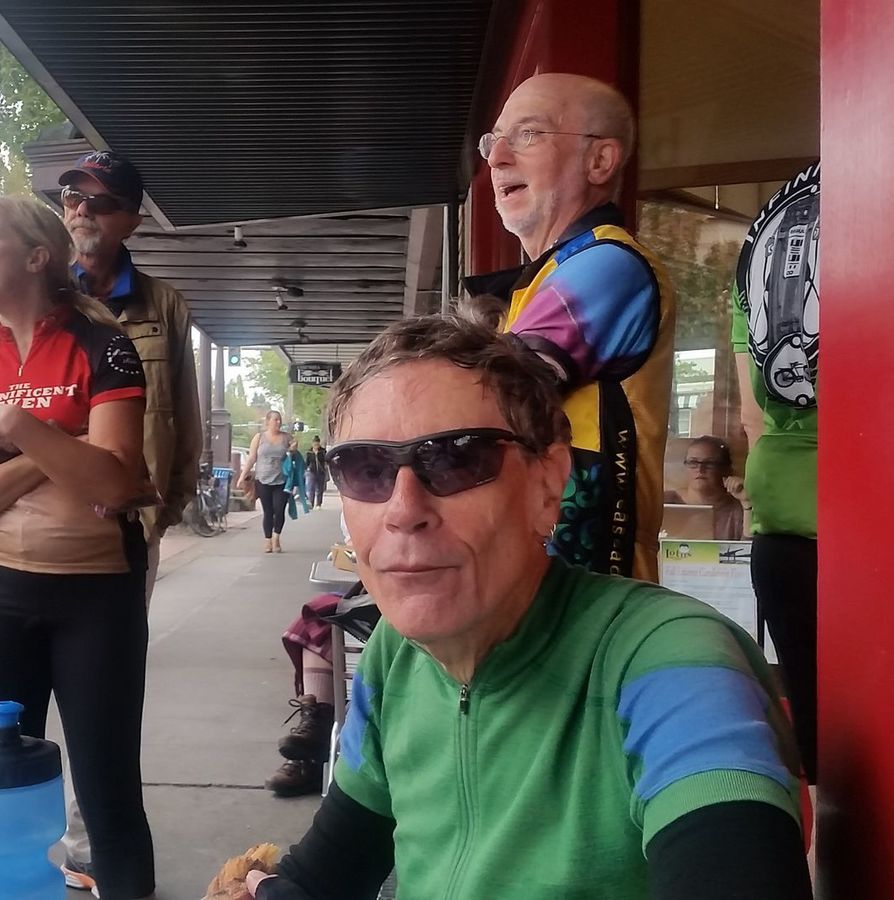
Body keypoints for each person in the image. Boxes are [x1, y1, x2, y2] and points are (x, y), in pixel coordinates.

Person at [236, 315, 809, 900]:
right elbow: (329, 871)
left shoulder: (669, 659)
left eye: (455, 459)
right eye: (366, 469)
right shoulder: (396, 655)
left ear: (548, 484)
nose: (403, 510)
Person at [0, 152, 203, 894]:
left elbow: (115, 479)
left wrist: (17, 426)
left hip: (95, 590)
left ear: (36, 256)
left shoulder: (105, 345)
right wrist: (57, 448)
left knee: (107, 792)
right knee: (1, 785)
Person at [465, 73, 676, 582]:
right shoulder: (550, 274)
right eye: (494, 141)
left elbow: (485, 395)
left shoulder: (608, 263)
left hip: (590, 596)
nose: (497, 159)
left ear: (599, 160)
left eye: (528, 134)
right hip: (536, 583)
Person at [732, 163, 821, 784]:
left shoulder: (767, 232)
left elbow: (752, 416)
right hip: (880, 522)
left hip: (782, 522)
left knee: (818, 732)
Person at [663, 435, 747, 541]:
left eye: (709, 463)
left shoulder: (738, 508)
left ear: (726, 470)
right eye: (693, 462)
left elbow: (749, 547)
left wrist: (747, 504)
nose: (700, 469)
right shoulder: (665, 502)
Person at [237, 410, 292, 553]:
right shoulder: (259, 437)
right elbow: (252, 458)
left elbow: (294, 455)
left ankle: (276, 538)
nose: (278, 422)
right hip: (262, 479)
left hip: (282, 480)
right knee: (268, 511)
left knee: (279, 510)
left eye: (279, 419)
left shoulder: (286, 437)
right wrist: (242, 476)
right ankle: (268, 540)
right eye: (275, 419)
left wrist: (293, 448)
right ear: (268, 422)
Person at [283, 434, 309, 520]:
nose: (295, 448)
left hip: (291, 482)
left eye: (296, 446)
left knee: (284, 502)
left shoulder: (297, 455)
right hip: (282, 480)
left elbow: (302, 466)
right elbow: (287, 469)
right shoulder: (284, 454)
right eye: (293, 446)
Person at [305, 438, 328, 509]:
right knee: (311, 488)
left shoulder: (323, 451)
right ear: (312, 444)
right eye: (315, 443)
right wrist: (307, 469)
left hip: (321, 472)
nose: (316, 445)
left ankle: (318, 504)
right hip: (312, 472)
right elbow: (307, 462)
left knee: (320, 489)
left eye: (317, 443)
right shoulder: (309, 452)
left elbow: (326, 460)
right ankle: (311, 503)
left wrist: (318, 454)